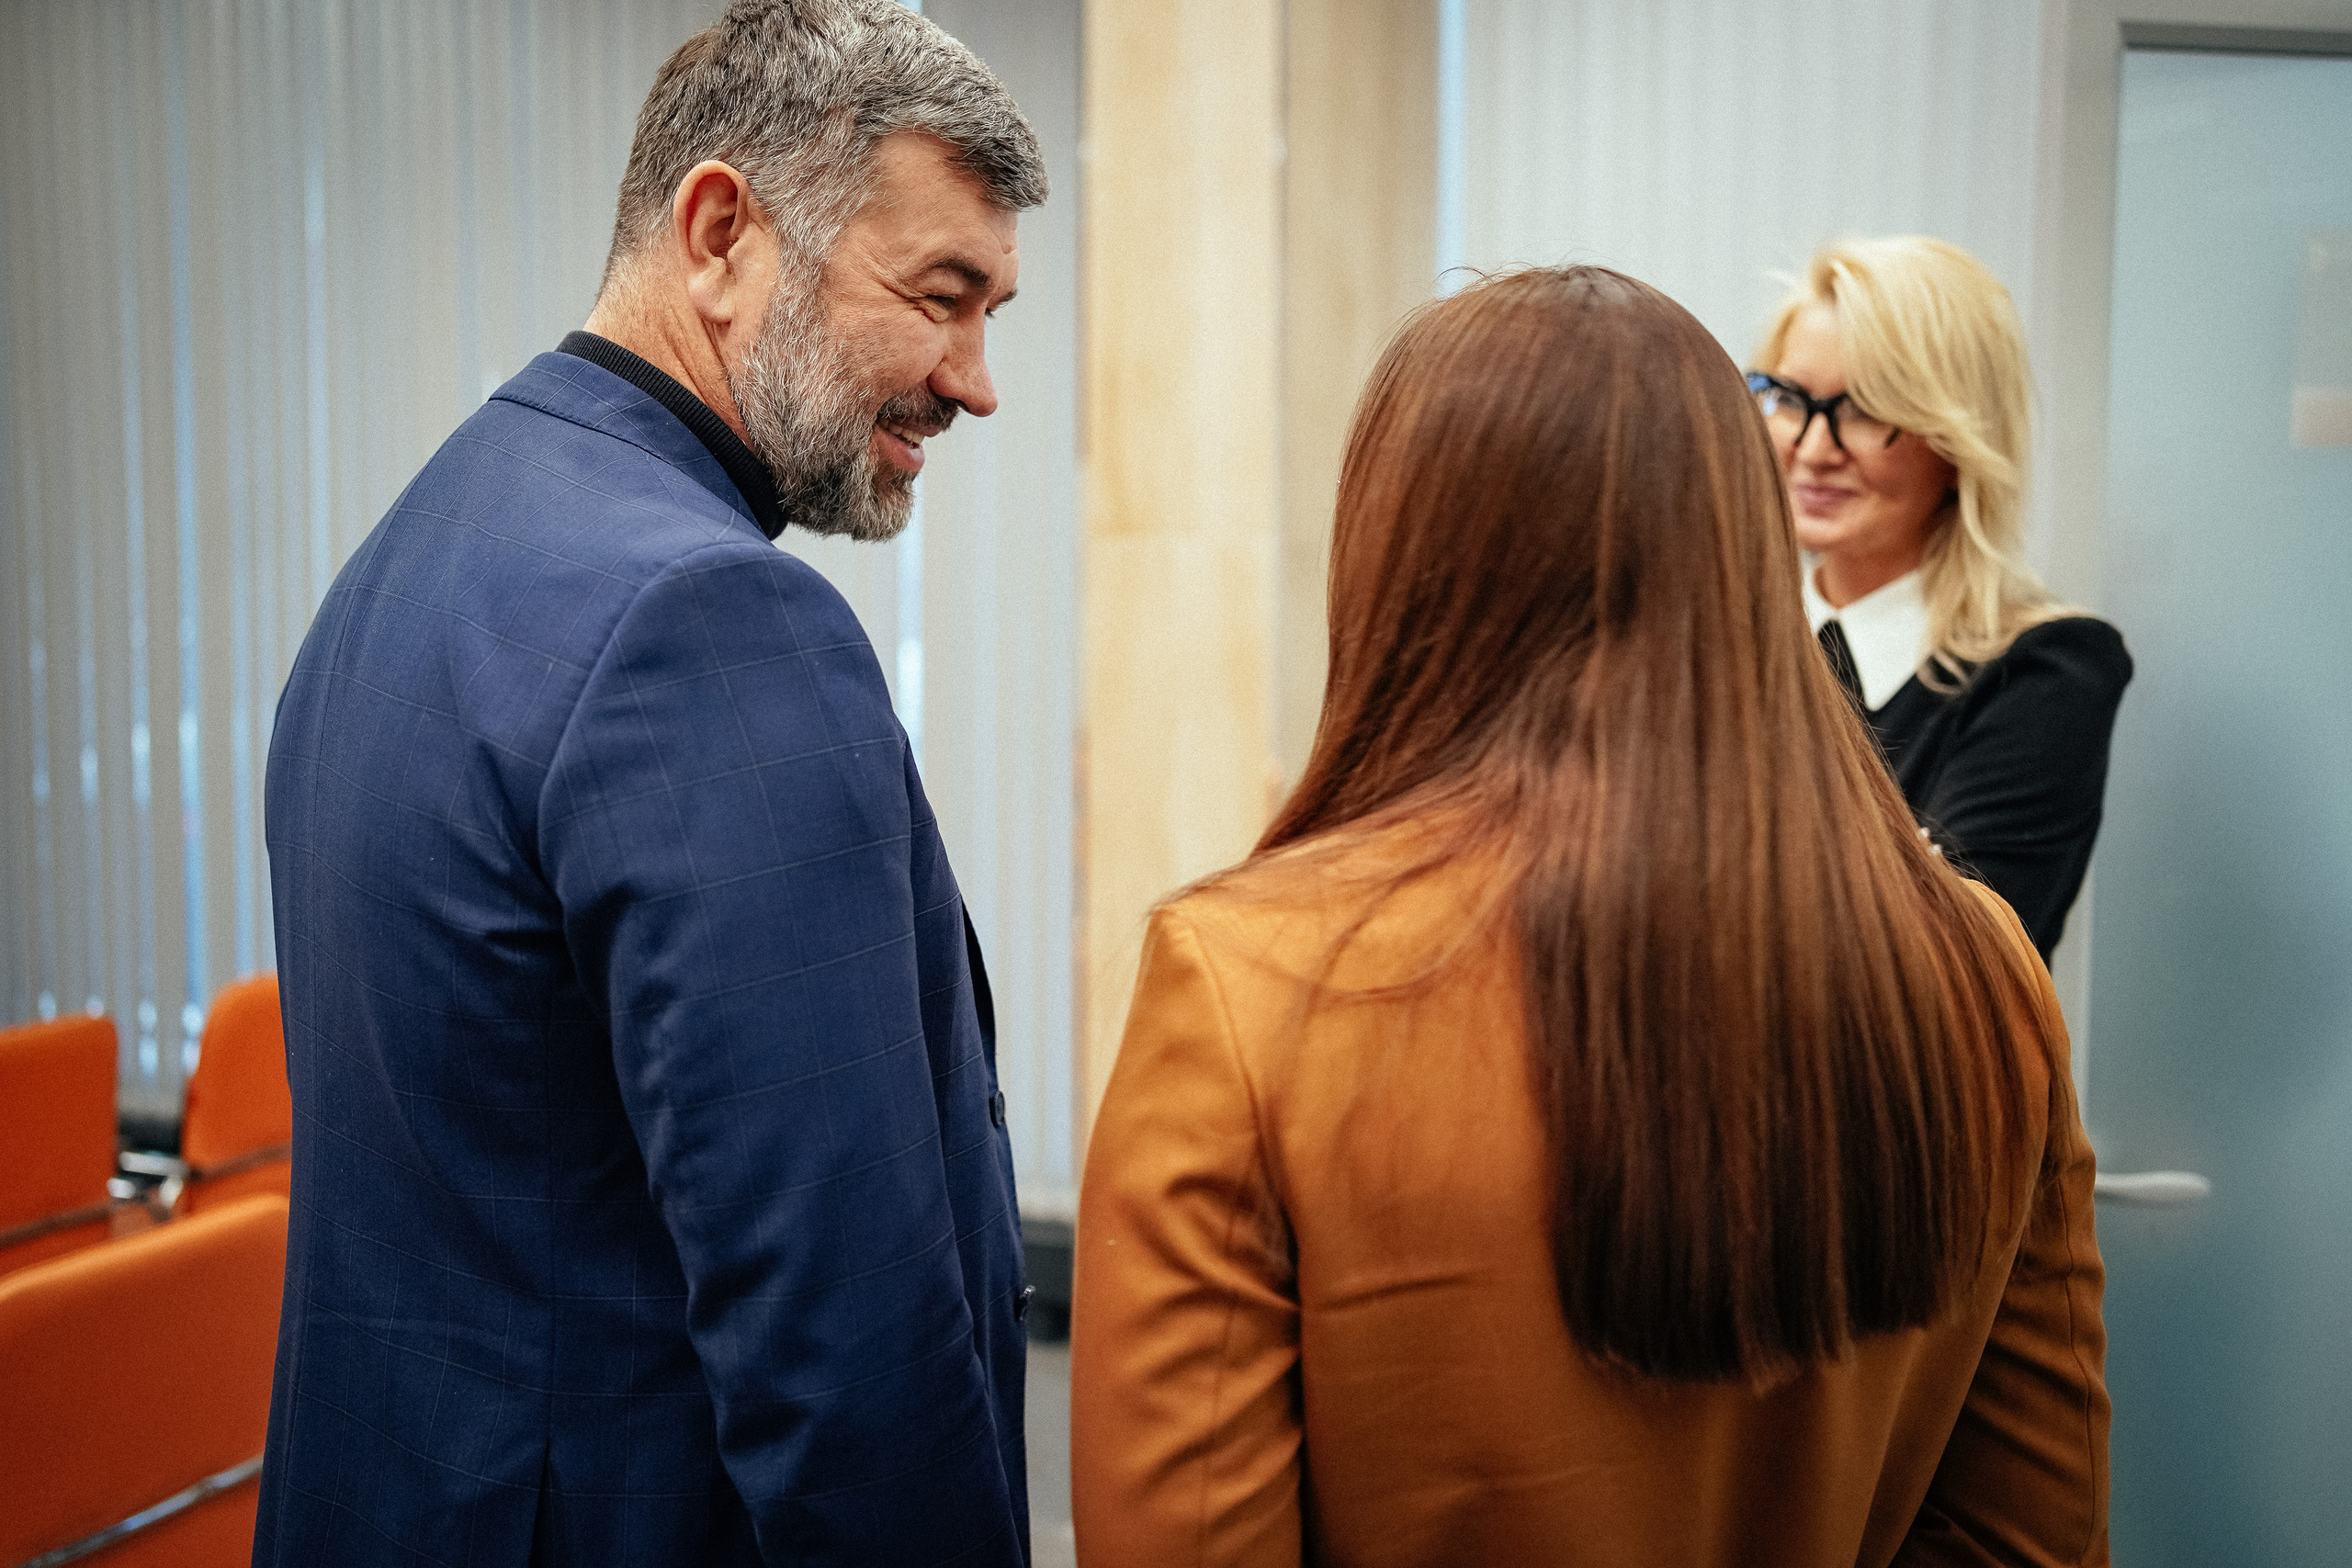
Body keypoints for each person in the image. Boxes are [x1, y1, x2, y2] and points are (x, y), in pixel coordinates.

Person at [1070, 267, 2109, 1567]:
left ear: (1393, 552)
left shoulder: (1248, 983)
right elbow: (2028, 1538)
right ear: (1740, 534)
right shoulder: (1983, 972)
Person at [256, 4, 1045, 1563]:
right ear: (721, 234)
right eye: (941, 297)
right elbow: (844, 1360)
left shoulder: (410, 556)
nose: (974, 382)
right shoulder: (710, 624)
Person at [1749, 236, 2131, 961]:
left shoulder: (2045, 672)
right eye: (1790, 399)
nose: (1814, 448)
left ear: (1959, 444)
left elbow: (1946, 965)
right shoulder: (1718, 644)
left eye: (1865, 410)